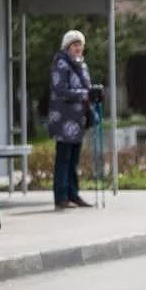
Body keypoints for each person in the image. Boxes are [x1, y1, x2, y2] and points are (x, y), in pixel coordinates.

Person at [48, 30, 95, 209]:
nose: (78, 48)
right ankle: (61, 196)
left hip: (78, 119)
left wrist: (93, 94)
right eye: (74, 45)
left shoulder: (82, 65)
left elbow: (87, 88)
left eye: (80, 45)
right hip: (63, 119)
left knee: (74, 160)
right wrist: (85, 94)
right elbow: (60, 90)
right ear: (67, 47)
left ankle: (73, 194)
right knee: (64, 159)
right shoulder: (61, 64)